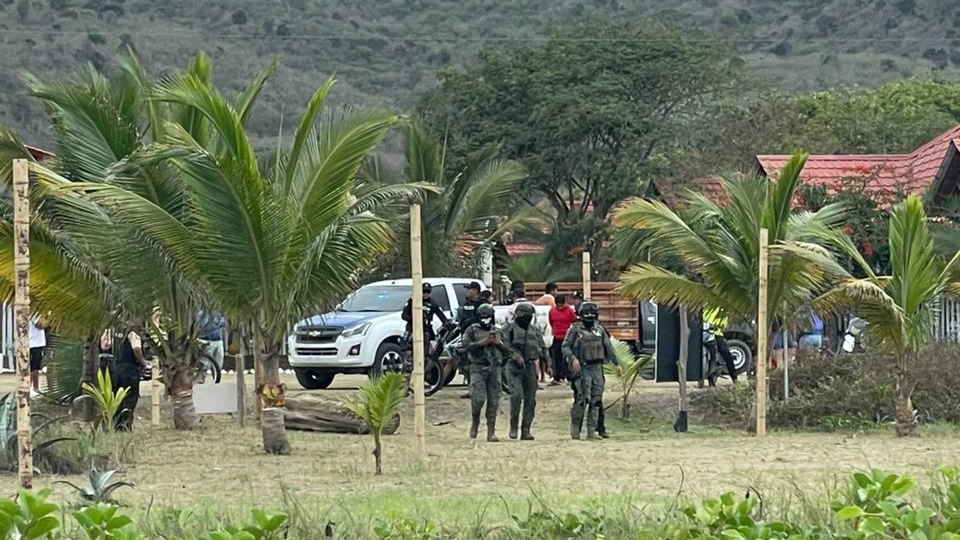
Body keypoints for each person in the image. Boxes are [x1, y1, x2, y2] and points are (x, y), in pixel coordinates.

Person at [563, 302, 615, 440]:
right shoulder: (574, 329)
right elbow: (565, 346)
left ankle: (592, 430)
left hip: (597, 368)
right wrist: (572, 358)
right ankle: (575, 428)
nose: (590, 316)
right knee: (582, 399)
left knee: (596, 400)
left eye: (592, 313)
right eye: (587, 314)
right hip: (582, 368)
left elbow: (608, 346)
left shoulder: (600, 329)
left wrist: (616, 363)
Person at [461, 304, 514, 442]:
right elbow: (465, 346)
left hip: (494, 369)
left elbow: (508, 351)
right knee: (477, 398)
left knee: (494, 400)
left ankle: (491, 431)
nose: (486, 320)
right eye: (483, 317)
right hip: (478, 368)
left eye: (488, 317)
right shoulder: (472, 330)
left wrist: (498, 343)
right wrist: (483, 342)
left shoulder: (498, 331)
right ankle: (475, 420)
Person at [502, 303, 547, 440]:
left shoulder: (534, 330)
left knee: (530, 400)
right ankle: (514, 427)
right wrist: (515, 356)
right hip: (513, 367)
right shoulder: (508, 329)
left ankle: (526, 429)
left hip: (529, 366)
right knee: (516, 396)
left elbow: (542, 347)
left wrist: (548, 363)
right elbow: (504, 345)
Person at [115, 321, 149, 431]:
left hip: (116, 368)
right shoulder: (133, 333)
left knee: (117, 397)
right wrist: (143, 362)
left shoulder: (114, 332)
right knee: (130, 398)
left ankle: (116, 424)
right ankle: (125, 425)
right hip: (130, 369)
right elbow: (136, 348)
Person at [402, 282, 451, 349]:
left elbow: (441, 315)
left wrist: (446, 323)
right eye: (424, 291)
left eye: (428, 292)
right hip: (412, 328)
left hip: (426, 329)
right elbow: (404, 315)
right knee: (407, 347)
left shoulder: (433, 303)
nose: (426, 294)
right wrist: (416, 320)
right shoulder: (413, 301)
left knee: (432, 347)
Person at [703, 308, 738, 384]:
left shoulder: (721, 310)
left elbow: (724, 324)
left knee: (726, 353)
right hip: (704, 334)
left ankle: (734, 377)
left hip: (716, 335)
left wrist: (717, 326)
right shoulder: (704, 309)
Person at [548, 295, 577, 385]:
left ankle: (568, 376)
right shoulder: (552, 311)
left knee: (567, 358)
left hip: (567, 337)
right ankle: (558, 376)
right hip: (557, 337)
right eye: (558, 304)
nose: (560, 306)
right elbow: (551, 322)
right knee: (557, 358)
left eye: (561, 304)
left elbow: (574, 320)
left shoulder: (569, 310)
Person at [28, 317, 47, 397]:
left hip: (40, 343)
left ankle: (36, 388)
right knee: (32, 367)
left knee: (36, 368)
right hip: (33, 343)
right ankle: (27, 388)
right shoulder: (34, 313)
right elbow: (40, 325)